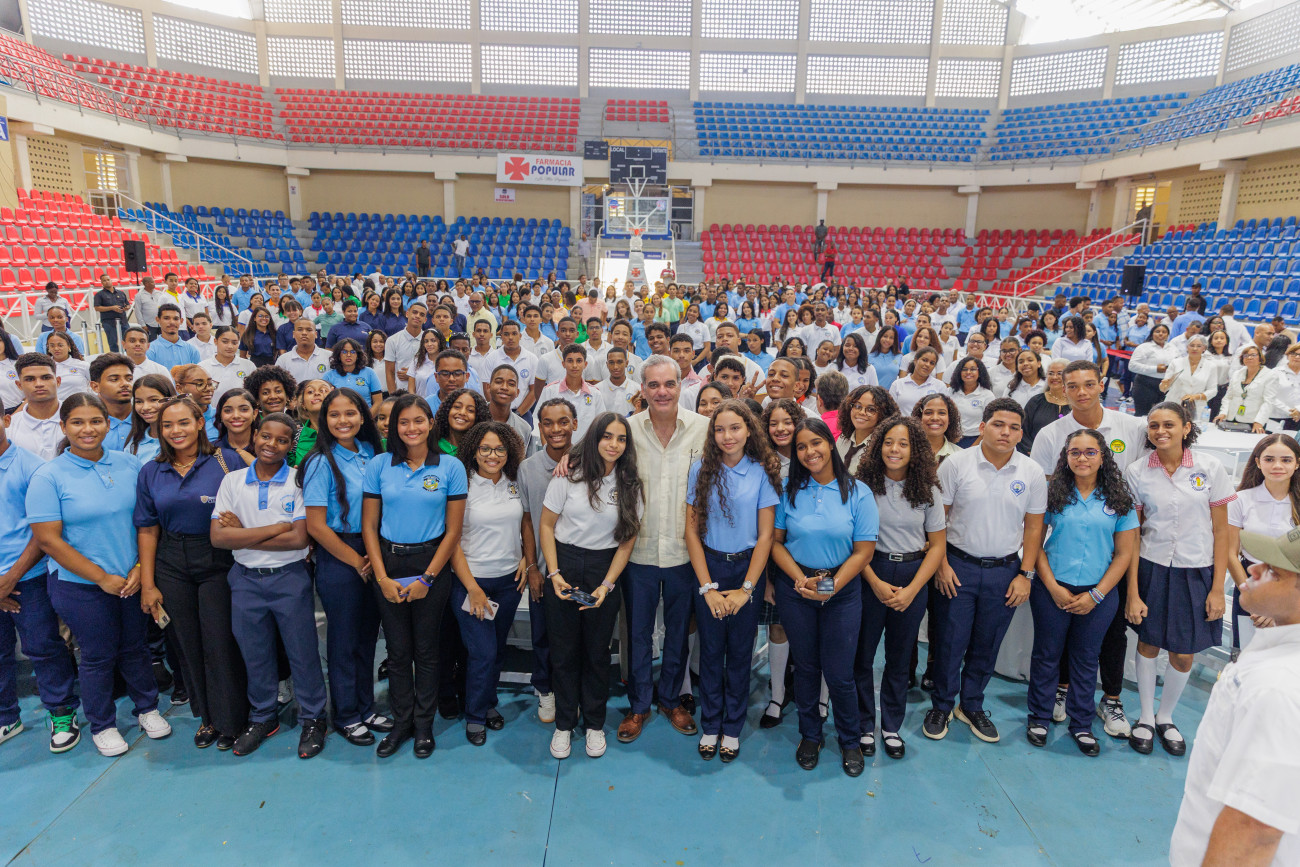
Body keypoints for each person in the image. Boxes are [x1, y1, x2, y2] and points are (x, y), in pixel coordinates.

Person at [26, 394, 172, 756]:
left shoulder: (129, 464)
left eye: (95, 421)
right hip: (80, 586)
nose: (87, 429)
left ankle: (147, 708)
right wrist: (100, 577)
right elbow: (48, 539)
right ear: (64, 427)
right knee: (97, 655)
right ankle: (103, 724)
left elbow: (147, 521)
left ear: (108, 424)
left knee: (136, 647)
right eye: (77, 422)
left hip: (132, 579)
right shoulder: (48, 476)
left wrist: (140, 568)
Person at [1169, 526, 1300, 866]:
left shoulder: (1277, 687)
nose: (1253, 569)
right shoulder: (1275, 658)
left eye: (1273, 572)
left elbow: (1255, 829)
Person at [924, 398, 1046, 745]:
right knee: (950, 641)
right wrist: (941, 564)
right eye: (998, 424)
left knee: (987, 643)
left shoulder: (1031, 472)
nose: (1005, 432)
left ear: (1021, 433)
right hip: (957, 566)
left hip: (1005, 571)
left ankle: (971, 704)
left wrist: (1025, 575)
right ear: (982, 427)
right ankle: (942, 705)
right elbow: (937, 521)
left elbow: (1034, 528)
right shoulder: (956, 464)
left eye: (1014, 427)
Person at [211, 412, 329, 759]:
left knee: (302, 652)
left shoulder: (298, 481)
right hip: (245, 579)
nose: (271, 444)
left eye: (281, 440)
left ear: (291, 445)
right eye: (265, 436)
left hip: (289, 578)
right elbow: (219, 538)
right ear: (255, 436)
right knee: (255, 652)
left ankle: (313, 717)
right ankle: (263, 716)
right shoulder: (232, 481)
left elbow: (298, 540)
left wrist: (242, 533)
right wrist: (276, 528)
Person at [134, 397, 249, 752]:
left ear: (200, 423)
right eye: (167, 425)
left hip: (217, 557)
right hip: (171, 560)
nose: (176, 431)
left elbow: (254, 507)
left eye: (183, 422)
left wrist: (240, 522)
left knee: (219, 640)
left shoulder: (226, 461)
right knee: (186, 643)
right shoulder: (151, 471)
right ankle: (207, 718)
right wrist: (148, 584)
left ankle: (232, 718)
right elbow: (147, 529)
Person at [1124, 402, 1233, 757]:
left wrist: (1217, 589)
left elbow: (1222, 532)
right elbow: (1133, 534)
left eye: (1169, 424)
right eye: (1154, 425)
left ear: (1186, 427)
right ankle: (1145, 716)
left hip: (1197, 570)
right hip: (1152, 566)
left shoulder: (1210, 468)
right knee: (1148, 644)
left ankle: (1165, 716)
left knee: (1183, 653)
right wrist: (1133, 591)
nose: (1161, 431)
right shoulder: (1138, 471)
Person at [361, 394, 466, 759]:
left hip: (431, 563)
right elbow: (369, 526)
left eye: (418, 420)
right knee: (397, 650)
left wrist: (427, 579)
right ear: (393, 427)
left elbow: (453, 532)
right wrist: (381, 577)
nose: (411, 428)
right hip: (389, 563)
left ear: (430, 423)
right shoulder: (379, 465)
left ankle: (424, 725)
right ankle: (402, 722)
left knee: (427, 650)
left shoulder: (450, 467)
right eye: (403, 422)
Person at [771, 417, 877, 776]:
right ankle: (810, 735)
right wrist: (802, 581)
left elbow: (863, 552)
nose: (809, 452)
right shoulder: (788, 490)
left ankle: (850, 740)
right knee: (805, 667)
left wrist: (828, 587)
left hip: (841, 591)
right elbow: (776, 543)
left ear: (830, 444)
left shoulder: (858, 492)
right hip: (796, 586)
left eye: (815, 443)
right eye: (801, 447)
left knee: (839, 672)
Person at [1026, 429, 1138, 757]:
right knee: (1047, 655)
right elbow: (1034, 543)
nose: (1082, 458)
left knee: (1086, 658)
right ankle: (1039, 717)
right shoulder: (1052, 493)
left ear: (1103, 457)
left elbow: (1124, 554)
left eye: (1090, 452)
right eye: (1075, 452)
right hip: (1052, 588)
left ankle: (1081, 724)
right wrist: (1052, 587)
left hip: (1099, 593)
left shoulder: (1118, 498)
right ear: (1066, 457)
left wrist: (1097, 595)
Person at [615, 356, 709, 744]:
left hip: (685, 553)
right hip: (637, 552)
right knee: (638, 633)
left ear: (681, 386)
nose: (662, 392)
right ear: (642, 389)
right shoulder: (626, 430)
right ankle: (639, 705)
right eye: (653, 385)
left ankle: (670, 700)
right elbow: (595, 456)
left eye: (669, 383)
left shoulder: (703, 429)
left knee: (678, 633)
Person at [540, 412, 643, 760]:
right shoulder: (569, 476)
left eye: (621, 438)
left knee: (597, 654)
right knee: (564, 652)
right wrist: (554, 573)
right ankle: (564, 724)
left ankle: (595, 724)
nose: (614, 444)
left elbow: (627, 541)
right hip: (565, 565)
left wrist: (607, 585)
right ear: (594, 438)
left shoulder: (630, 484)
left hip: (604, 567)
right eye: (607, 436)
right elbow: (546, 525)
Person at [685, 400, 782, 762]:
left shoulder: (760, 472)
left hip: (746, 569)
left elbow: (766, 536)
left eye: (735, 428)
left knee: (740, 653)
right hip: (710, 567)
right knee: (711, 652)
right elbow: (691, 532)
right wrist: (707, 588)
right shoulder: (700, 470)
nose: (727, 436)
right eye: (720, 429)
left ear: (749, 430)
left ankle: (732, 728)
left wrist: (746, 590)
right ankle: (711, 725)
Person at [299, 388, 391, 747]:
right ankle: (347, 714)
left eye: (350, 413)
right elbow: (316, 526)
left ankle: (366, 707)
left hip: (374, 549)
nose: (343, 420)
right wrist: (357, 561)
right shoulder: (321, 462)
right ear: (324, 420)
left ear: (362, 416)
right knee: (344, 639)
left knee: (368, 637)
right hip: (342, 553)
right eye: (334, 414)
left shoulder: (372, 453)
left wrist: (373, 558)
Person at [854, 416, 945, 761]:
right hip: (870, 570)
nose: (895, 449)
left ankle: (891, 726)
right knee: (862, 655)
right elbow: (852, 543)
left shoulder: (928, 490)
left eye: (903, 443)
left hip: (912, 573)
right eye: (889, 442)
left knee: (900, 656)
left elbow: (937, 546)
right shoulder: (861, 487)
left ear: (915, 450)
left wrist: (913, 589)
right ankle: (864, 724)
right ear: (878, 446)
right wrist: (875, 583)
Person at [0, 401, 81, 752]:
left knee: (43, 647)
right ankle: (6, 717)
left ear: (6, 419)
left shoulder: (32, 467)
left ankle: (62, 713)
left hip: (27, 576)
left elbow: (43, 532)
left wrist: (10, 578)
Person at [451, 421, 530, 746]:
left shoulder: (515, 482)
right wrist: (472, 587)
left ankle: (487, 704)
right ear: (473, 450)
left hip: (509, 582)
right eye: (485, 448)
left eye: (499, 448)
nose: (492, 455)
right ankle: (474, 716)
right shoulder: (463, 484)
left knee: (496, 651)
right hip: (472, 584)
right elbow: (452, 541)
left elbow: (525, 523)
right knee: (482, 653)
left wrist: (527, 558)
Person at [518, 398, 578, 726]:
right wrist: (532, 567)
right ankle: (545, 689)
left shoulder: (589, 462)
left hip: (579, 566)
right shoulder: (528, 468)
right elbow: (528, 521)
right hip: (543, 567)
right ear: (539, 427)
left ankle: (572, 691)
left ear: (575, 424)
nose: (556, 429)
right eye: (548, 423)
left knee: (575, 638)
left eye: (563, 421)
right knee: (542, 634)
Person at [1226, 435, 1300, 653]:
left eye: (1286, 460)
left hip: (1293, 590)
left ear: (1297, 463)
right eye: (1269, 459)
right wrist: (1253, 599)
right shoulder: (1241, 500)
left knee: (1286, 661)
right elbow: (1230, 554)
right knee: (1245, 657)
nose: (1277, 466)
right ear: (1258, 462)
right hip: (1250, 585)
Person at [8, 354, 65, 461]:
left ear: (58, 381)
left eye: (46, 377)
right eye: (30, 379)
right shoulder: (10, 428)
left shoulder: (80, 419)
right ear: (19, 385)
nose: (39, 384)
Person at [835, 385, 897, 475]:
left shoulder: (881, 448)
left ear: (883, 414)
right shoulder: (842, 439)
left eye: (871, 409)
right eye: (857, 406)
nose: (862, 412)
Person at [1217, 344, 1272, 432]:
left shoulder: (1270, 375)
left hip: (1253, 422)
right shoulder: (1237, 374)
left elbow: (1269, 402)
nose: (1249, 358)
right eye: (1245, 355)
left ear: (1260, 358)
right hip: (1231, 419)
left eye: (1253, 355)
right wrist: (1223, 413)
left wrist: (1259, 421)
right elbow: (1228, 397)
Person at [948, 357, 996, 448]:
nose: (968, 372)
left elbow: (990, 423)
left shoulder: (987, 395)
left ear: (980, 372)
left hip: (976, 440)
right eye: (964, 369)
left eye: (973, 369)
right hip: (951, 438)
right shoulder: (950, 391)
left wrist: (974, 446)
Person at [1128, 323, 1175, 416]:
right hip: (1145, 384)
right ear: (1152, 333)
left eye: (1164, 332)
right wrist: (1155, 369)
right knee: (1142, 414)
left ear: (1168, 335)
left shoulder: (1173, 348)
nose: (1161, 334)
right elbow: (1132, 366)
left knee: (1162, 415)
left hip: (1165, 385)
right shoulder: (1144, 347)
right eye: (1157, 331)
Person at [322, 338, 382, 408]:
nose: (348, 355)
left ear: (358, 355)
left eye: (353, 352)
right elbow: (324, 402)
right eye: (344, 352)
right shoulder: (328, 376)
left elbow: (378, 402)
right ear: (338, 355)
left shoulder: (369, 372)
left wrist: (368, 415)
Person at [889, 347, 944, 416]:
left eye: (932, 363)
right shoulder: (897, 384)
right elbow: (890, 412)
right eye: (924, 360)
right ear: (915, 360)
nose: (927, 365)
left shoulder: (940, 386)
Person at [276, 318, 332, 384]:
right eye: (300, 330)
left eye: (309, 330)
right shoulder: (283, 360)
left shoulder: (329, 356)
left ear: (316, 334)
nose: (304, 333)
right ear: (293, 334)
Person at [146, 304, 201, 369]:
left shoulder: (191, 350)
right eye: (166, 318)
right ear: (158, 320)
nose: (172, 322)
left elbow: (198, 373)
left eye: (175, 319)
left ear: (181, 321)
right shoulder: (150, 350)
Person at [93, 275, 130, 353]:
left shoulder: (121, 293)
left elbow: (128, 304)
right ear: (101, 283)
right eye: (104, 280)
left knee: (128, 340)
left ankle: (129, 357)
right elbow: (97, 308)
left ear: (111, 280)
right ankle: (115, 359)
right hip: (109, 322)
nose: (107, 282)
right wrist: (112, 308)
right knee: (113, 343)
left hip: (123, 321)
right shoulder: (99, 295)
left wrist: (126, 307)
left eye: (108, 279)